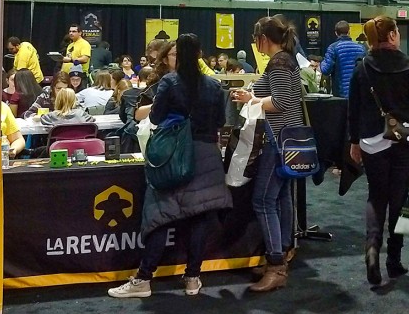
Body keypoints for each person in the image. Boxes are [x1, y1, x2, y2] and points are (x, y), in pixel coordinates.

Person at [109, 34, 232, 299]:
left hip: (174, 154)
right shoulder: (213, 85)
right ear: (199, 54)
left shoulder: (169, 82)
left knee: (161, 215)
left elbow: (155, 117)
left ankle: (144, 279)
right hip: (207, 154)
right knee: (199, 216)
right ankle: (192, 278)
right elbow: (221, 121)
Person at [347, 16, 409, 285]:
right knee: (400, 198)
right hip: (405, 139)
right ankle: (394, 260)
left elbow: (353, 108)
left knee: (376, 196)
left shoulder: (361, 68)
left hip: (372, 139)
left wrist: (354, 141)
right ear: (394, 35)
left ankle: (372, 248)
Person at [231, 15, 304, 293]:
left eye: (255, 39)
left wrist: (252, 99)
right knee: (281, 197)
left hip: (279, 139)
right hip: (285, 138)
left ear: (263, 39)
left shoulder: (279, 62)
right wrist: (253, 96)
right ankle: (282, 252)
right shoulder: (285, 59)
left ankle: (276, 266)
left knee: (263, 200)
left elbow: (281, 102)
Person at [321, 20, 367, 98]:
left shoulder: (333, 48)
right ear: (349, 31)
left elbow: (326, 70)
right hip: (358, 92)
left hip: (340, 93)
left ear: (336, 33)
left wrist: (322, 62)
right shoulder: (361, 48)